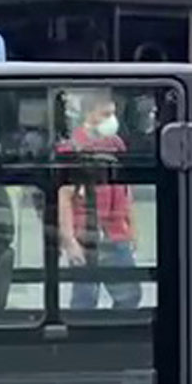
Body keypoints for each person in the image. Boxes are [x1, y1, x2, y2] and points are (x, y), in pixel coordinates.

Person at [57, 89, 144, 310]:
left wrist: (132, 227)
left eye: (113, 114)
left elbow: (125, 191)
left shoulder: (115, 144)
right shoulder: (72, 148)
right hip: (85, 236)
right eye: (105, 114)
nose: (111, 120)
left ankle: (117, 336)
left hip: (116, 233)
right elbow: (64, 196)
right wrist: (69, 241)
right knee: (85, 299)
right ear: (89, 114)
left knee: (130, 295)